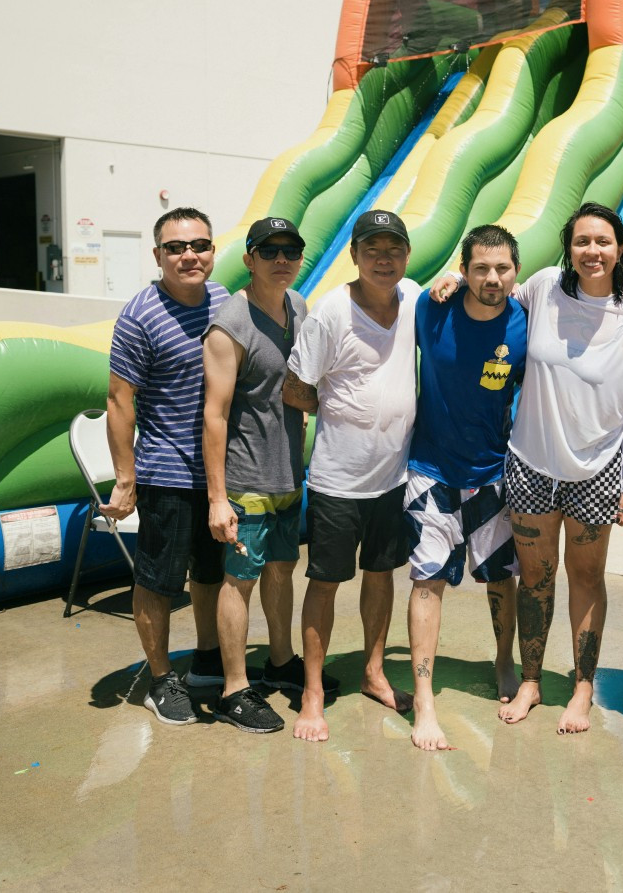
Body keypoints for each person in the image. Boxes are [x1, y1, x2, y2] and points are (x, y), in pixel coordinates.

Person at [485, 203, 623, 734]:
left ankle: (583, 686)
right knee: (536, 577)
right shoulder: (542, 288)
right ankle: (532, 680)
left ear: (620, 249)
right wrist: (453, 278)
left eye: (603, 241)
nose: (593, 251)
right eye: (583, 241)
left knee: (587, 577)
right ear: (569, 247)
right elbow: (490, 295)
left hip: (600, 467)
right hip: (532, 462)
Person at [284, 210, 420, 742]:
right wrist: (345, 409)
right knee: (324, 582)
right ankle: (314, 693)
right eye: (373, 249)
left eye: (393, 249)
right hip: (338, 480)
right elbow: (296, 389)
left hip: (393, 476)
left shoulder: (411, 297)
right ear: (355, 255)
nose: (383, 259)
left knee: (382, 575)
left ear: (406, 256)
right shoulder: (330, 313)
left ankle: (373, 672)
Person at [405, 225, 529, 751]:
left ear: (516, 271)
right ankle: (424, 699)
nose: (492, 278)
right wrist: (446, 278)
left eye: (502, 268)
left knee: (502, 579)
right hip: (430, 470)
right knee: (426, 581)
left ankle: (503, 662)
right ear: (465, 268)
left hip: (492, 475)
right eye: (480, 268)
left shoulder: (526, 321)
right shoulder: (431, 308)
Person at [104, 206, 228, 724]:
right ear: (157, 256)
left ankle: (205, 657)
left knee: (211, 572)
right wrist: (126, 479)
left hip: (218, 471)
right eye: (176, 248)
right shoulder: (138, 317)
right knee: (158, 581)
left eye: (198, 245)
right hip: (166, 471)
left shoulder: (223, 301)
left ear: (213, 252)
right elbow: (118, 401)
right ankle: (160, 679)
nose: (188, 256)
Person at [201, 218, 308, 735]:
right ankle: (234, 688)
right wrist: (218, 498)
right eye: (269, 251)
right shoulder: (230, 325)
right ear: (249, 259)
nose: (281, 259)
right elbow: (214, 414)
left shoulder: (299, 307)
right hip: (245, 480)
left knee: (282, 570)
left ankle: (282, 662)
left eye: (291, 250)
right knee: (238, 581)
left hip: (288, 474)